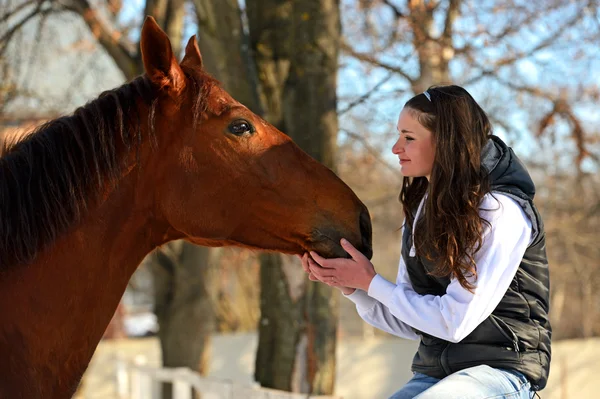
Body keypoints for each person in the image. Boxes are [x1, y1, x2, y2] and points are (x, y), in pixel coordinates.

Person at [299, 85, 551, 399]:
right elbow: (413, 319)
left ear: (446, 141)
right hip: (437, 373)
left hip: (502, 372)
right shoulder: (421, 211)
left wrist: (373, 282)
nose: (394, 148)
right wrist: (354, 286)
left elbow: (453, 322)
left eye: (409, 137)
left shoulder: (499, 211)